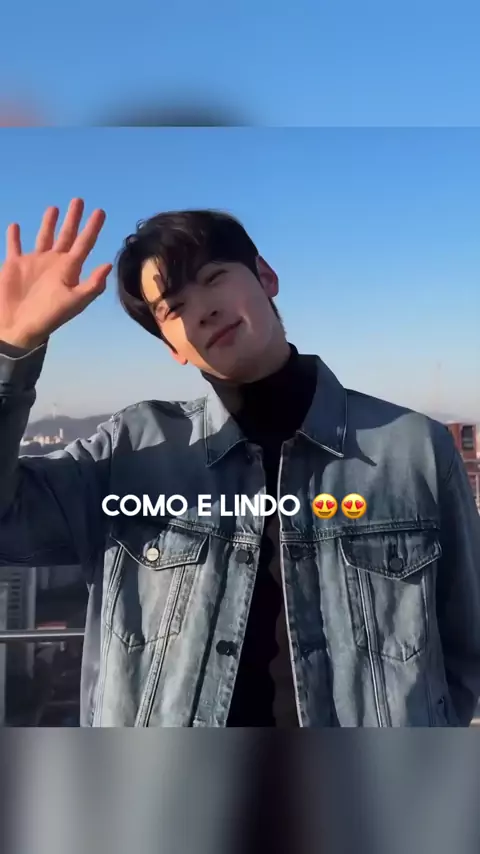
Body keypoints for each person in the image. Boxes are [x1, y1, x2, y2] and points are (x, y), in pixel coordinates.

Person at [0, 198, 479, 728]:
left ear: (266, 277)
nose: (202, 310)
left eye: (213, 278)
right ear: (173, 347)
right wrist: (11, 352)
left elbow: (466, 647)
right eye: (173, 308)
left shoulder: (413, 449)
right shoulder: (129, 453)